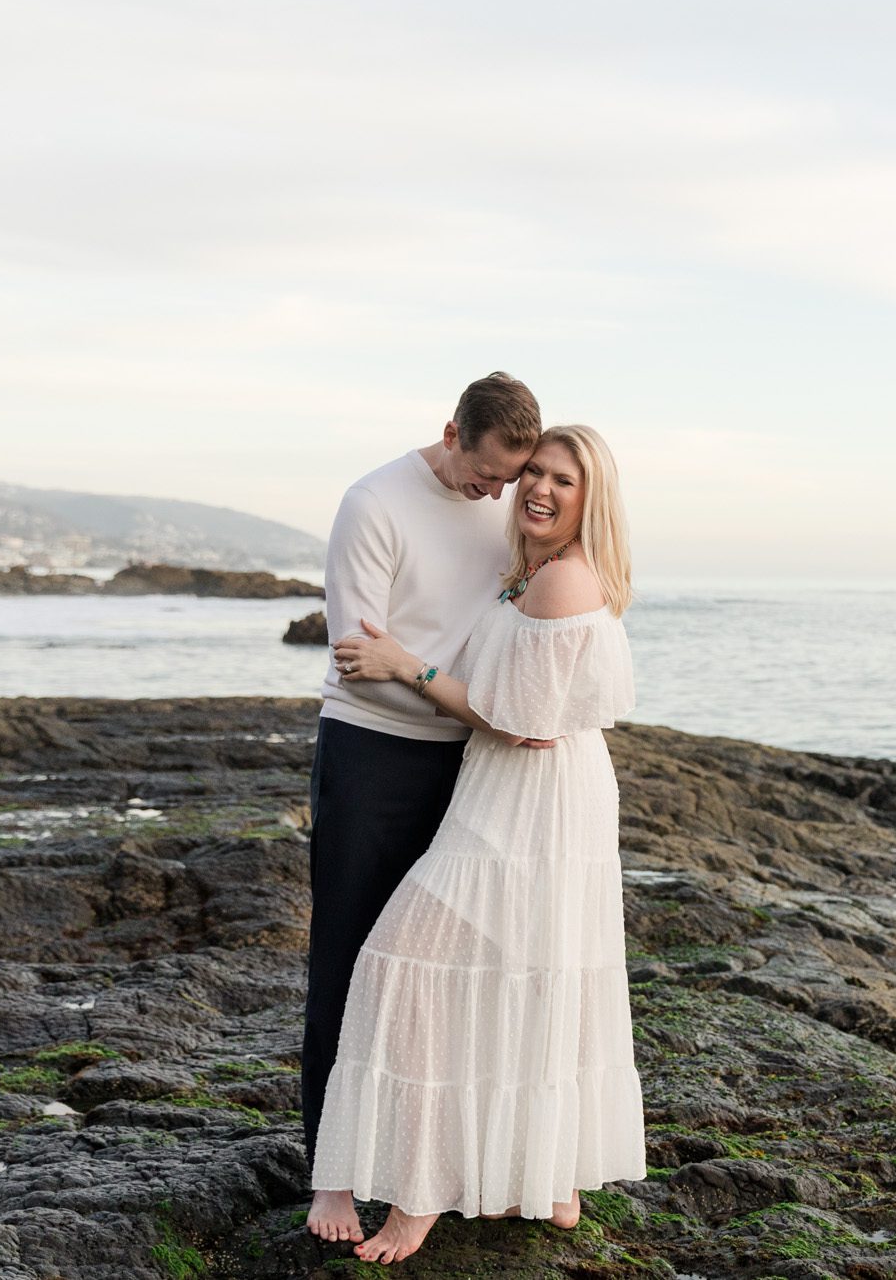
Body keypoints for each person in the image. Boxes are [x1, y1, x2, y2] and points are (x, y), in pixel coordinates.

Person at [313, 424, 648, 1264]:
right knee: (531, 971)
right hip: (521, 791)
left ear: (590, 498)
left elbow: (518, 719)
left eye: (562, 480)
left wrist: (402, 663)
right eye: (532, 471)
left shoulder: (562, 580)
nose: (538, 488)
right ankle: (550, 1177)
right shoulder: (537, 569)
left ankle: (421, 1193)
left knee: (403, 964)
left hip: (529, 803)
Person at [303, 373, 545, 1246]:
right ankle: (331, 1175)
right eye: (484, 476)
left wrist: (430, 678)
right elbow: (359, 660)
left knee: (448, 974)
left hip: (472, 766)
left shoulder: (508, 506)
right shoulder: (374, 502)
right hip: (371, 753)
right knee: (350, 956)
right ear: (450, 430)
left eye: (507, 482)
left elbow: (449, 649)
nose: (495, 494)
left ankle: (430, 1164)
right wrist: (450, 688)